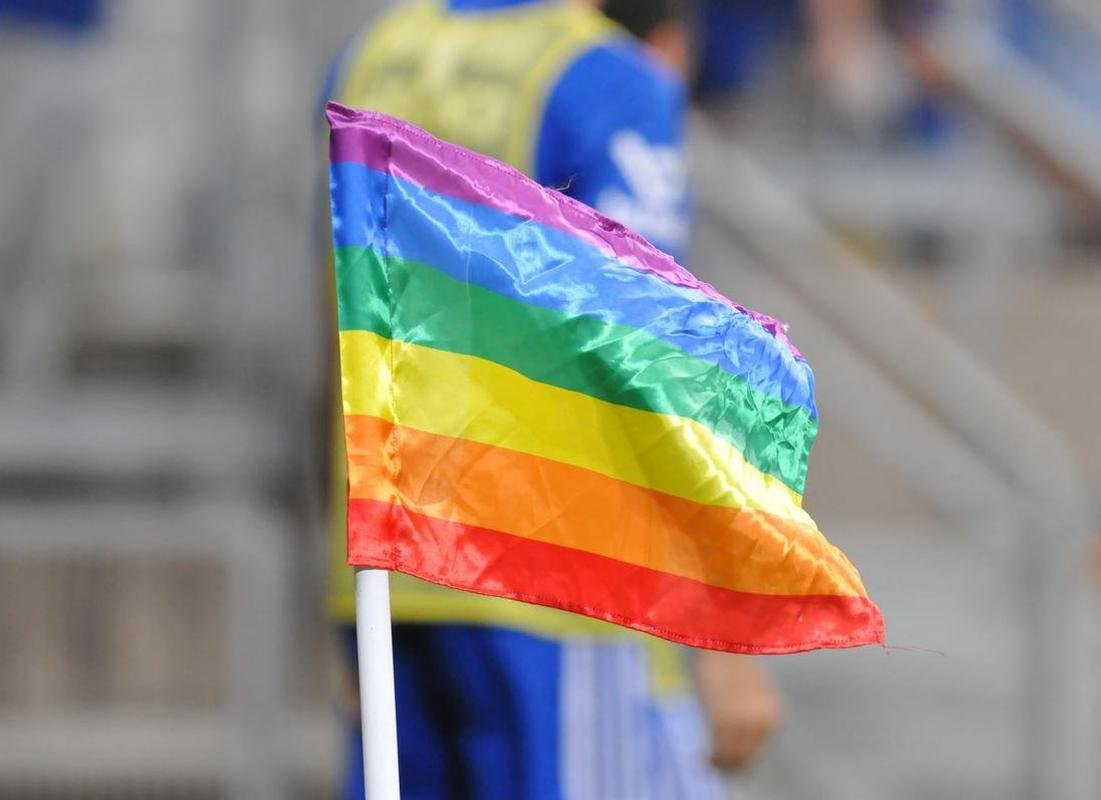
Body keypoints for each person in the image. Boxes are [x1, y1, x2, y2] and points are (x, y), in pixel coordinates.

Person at [321, 2, 780, 797]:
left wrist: (342, 607)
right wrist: (724, 625)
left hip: (389, 573)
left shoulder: (372, 55)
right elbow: (648, 352)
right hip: (555, 582)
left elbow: (328, 322)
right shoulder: (605, 77)